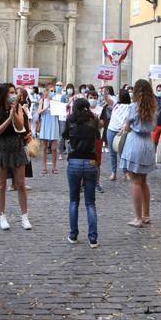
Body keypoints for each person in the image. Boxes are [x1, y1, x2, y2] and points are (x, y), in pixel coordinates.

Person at [0, 83, 32, 230]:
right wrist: (9, 118)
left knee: (20, 184)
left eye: (15, 92)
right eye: (11, 92)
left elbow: (20, 127)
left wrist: (15, 114)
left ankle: (24, 216)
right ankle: (2, 216)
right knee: (2, 185)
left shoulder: (18, 106)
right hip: (1, 148)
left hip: (17, 146)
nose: (14, 95)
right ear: (4, 95)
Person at [62, 98, 101, 247]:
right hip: (90, 162)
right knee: (90, 203)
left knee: (74, 201)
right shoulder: (93, 120)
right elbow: (97, 136)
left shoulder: (70, 120)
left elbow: (65, 136)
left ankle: (73, 235)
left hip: (74, 161)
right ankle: (93, 238)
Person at [120, 79, 158, 227]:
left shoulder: (133, 107)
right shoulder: (154, 107)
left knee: (135, 181)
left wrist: (126, 125)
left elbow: (128, 127)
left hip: (135, 143)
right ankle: (146, 215)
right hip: (148, 143)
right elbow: (153, 127)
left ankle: (138, 218)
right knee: (144, 181)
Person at [105, 88, 131, 181]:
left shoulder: (130, 106)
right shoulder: (116, 104)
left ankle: (126, 172)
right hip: (111, 130)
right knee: (112, 153)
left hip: (122, 132)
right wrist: (105, 90)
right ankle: (114, 172)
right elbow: (107, 100)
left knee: (123, 152)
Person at [37, 81, 63, 174]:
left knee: (54, 148)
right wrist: (46, 107)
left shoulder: (56, 101)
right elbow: (39, 112)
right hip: (45, 123)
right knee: (44, 147)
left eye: (53, 91)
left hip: (54, 123)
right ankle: (44, 167)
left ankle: (54, 167)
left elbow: (60, 113)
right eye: (50, 90)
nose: (52, 92)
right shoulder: (42, 100)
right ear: (46, 91)